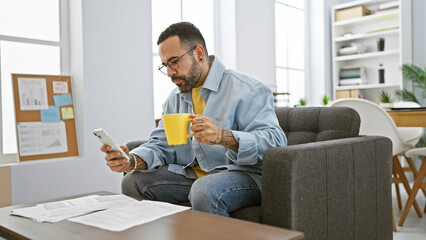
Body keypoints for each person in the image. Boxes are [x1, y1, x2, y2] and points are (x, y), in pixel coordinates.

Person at [101, 22, 287, 216]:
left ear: (199, 53)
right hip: (192, 177)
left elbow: (275, 142)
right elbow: (160, 144)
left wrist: (223, 136)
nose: (170, 73)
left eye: (174, 62)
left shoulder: (248, 90)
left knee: (205, 189)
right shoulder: (174, 99)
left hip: (245, 176)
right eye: (165, 65)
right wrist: (131, 161)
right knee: (132, 181)